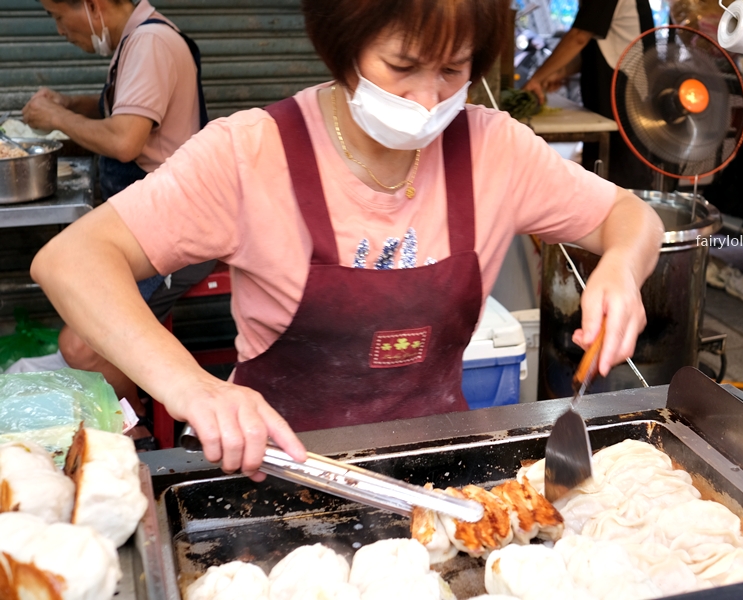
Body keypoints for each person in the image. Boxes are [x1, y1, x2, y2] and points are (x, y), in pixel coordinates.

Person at [32, 0, 665, 478]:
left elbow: (632, 216)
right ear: (343, 47)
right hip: (281, 474)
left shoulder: (495, 149)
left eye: (453, 70)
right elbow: (72, 259)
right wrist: (190, 385)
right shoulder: (251, 152)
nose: (427, 99)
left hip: (443, 470)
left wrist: (619, 267)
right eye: (402, 67)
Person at [23, 0, 216, 435]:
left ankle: (139, 430)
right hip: (144, 226)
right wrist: (72, 105)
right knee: (77, 301)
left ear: (92, 5)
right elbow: (127, 109)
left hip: (178, 233)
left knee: (82, 346)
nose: (59, 30)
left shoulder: (150, 41)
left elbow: (126, 139)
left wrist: (57, 117)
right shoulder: (137, 39)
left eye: (58, 16)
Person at [524, 0, 656, 187]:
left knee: (621, 179)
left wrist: (537, 79)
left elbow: (579, 36)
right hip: (607, 99)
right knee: (600, 174)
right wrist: (560, 71)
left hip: (623, 99)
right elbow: (598, 46)